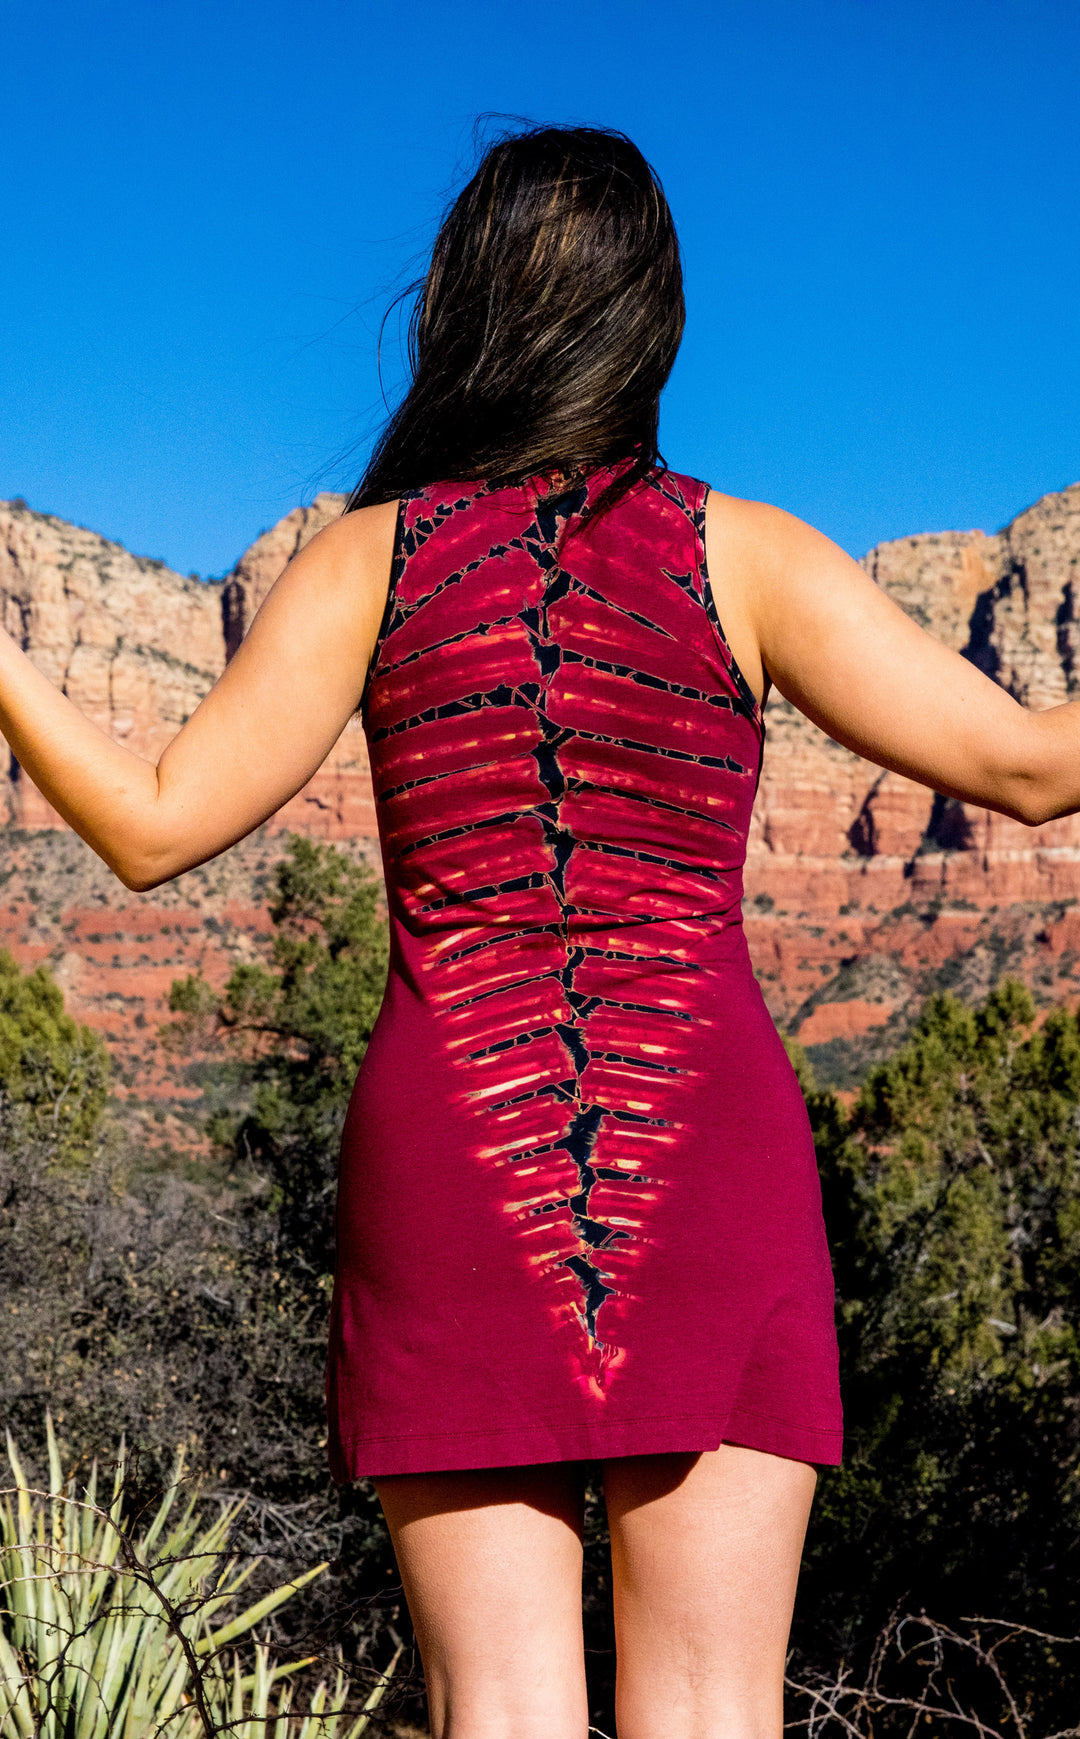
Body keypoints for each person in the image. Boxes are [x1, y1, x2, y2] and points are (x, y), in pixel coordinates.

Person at [0, 123, 1073, 1739]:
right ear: (656, 322)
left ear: (465, 306)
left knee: (497, 1710)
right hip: (708, 1163)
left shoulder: (367, 563)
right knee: (711, 1710)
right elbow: (1035, 767)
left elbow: (150, 828)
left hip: (454, 1167)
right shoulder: (748, 556)